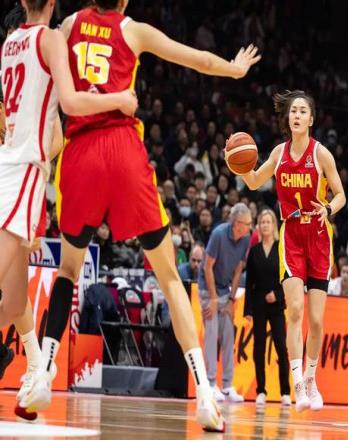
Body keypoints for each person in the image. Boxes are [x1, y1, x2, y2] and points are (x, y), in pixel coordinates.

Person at [26, 0, 260, 432]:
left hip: (80, 155)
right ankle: (205, 396)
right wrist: (234, 69)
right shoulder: (133, 30)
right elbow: (196, 58)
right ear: (124, 2)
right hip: (122, 151)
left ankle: (43, 374)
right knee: (169, 278)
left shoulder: (70, 24)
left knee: (68, 272)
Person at [0, 0, 135, 414]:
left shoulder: (9, 43)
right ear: (53, 4)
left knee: (14, 300)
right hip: (23, 169)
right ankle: (33, 367)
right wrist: (119, 97)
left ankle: (35, 368)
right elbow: (72, 106)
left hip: (9, 164)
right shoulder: (52, 39)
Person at [234, 90, 346, 412]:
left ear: (311, 119)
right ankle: (297, 384)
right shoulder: (279, 153)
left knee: (316, 320)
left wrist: (329, 208)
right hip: (292, 235)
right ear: (288, 118)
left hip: (319, 236)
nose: (296, 115)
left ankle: (311, 379)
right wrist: (238, 162)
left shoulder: (321, 154)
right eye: (293, 111)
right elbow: (254, 182)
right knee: (294, 310)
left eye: (302, 111)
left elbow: (341, 195)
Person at [198, 203, 251, 403]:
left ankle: (227, 385)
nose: (250, 227)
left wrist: (230, 299)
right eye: (247, 223)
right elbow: (207, 267)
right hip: (207, 289)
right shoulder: (218, 234)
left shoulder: (245, 239)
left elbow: (238, 271)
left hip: (224, 291)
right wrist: (212, 299)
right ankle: (210, 384)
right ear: (237, 223)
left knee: (228, 334)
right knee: (211, 334)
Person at [244, 209, 291, 406]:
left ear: (274, 225)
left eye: (268, 222)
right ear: (258, 226)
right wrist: (247, 310)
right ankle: (261, 390)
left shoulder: (282, 249)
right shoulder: (254, 251)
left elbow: (288, 278)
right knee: (259, 348)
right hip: (258, 303)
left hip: (277, 304)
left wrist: (277, 295)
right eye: (262, 222)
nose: (265, 225)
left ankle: (285, 392)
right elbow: (249, 282)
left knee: (281, 345)